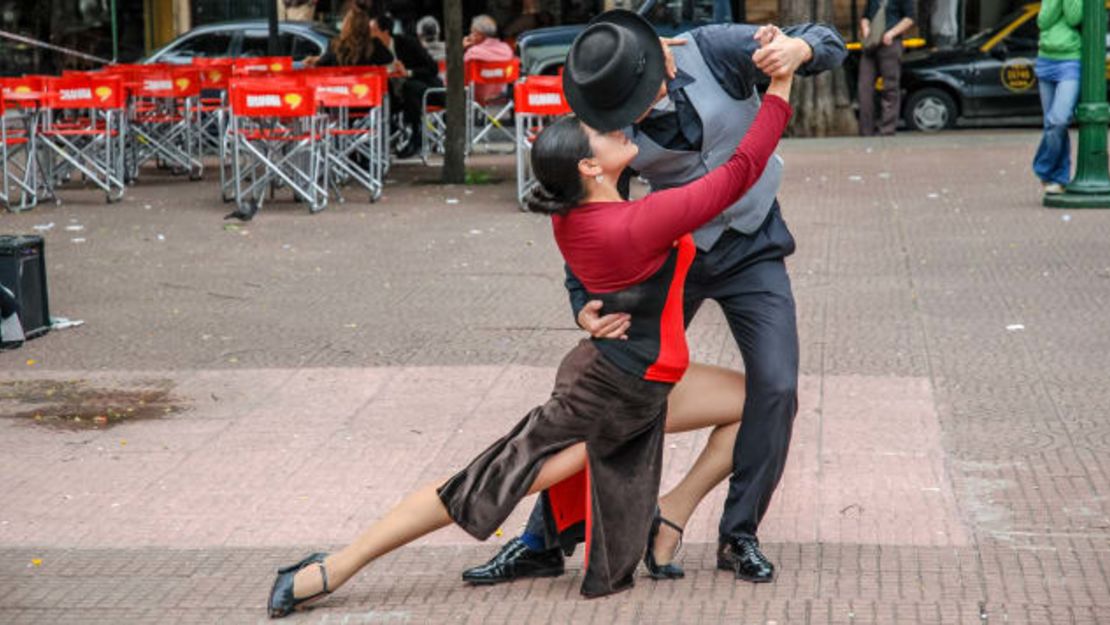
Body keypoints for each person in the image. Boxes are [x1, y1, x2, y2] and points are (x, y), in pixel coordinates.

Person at [266, 15, 796, 618]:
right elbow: (740, 172)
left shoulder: (574, 212)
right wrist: (779, 86)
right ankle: (331, 568)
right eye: (600, 130)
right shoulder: (637, 221)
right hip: (613, 392)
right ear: (590, 169)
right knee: (481, 485)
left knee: (761, 400)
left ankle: (667, 514)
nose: (619, 125)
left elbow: (587, 276)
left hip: (637, 376)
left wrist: (643, 58)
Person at [462, 11, 846, 586]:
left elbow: (829, 39)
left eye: (641, 96)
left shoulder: (715, 47)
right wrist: (581, 303)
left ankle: (738, 532)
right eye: (624, 109)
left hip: (752, 244)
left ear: (661, 55)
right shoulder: (603, 112)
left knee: (778, 386)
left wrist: (798, 52)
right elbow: (580, 216)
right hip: (670, 256)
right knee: (602, 391)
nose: (635, 114)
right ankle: (541, 540)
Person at [370, 14, 442, 159]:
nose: (369, 35)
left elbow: (432, 68)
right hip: (394, 93)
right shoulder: (372, 50)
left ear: (385, 32)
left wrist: (408, 72)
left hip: (423, 88)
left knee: (410, 88)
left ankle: (417, 137)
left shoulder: (408, 43)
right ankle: (387, 136)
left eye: (373, 31)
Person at [1032, 0, 1081, 195]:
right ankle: (1058, 179)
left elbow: (1074, 17)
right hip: (1046, 59)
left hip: (1070, 59)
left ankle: (1043, 168)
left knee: (1058, 119)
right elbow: (1043, 21)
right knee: (1051, 125)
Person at [857, 0, 916, 136]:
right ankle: (866, 130)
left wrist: (892, 33)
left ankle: (887, 129)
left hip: (890, 43)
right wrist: (866, 29)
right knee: (864, 88)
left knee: (890, 87)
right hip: (871, 44)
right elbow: (866, 16)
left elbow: (910, 18)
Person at [306, 0, 391, 68]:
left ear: (345, 25)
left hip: (343, 87)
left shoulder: (336, 44)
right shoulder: (374, 45)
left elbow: (321, 64)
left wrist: (316, 60)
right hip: (365, 87)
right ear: (366, 27)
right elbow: (389, 59)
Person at [463, 15, 515, 103]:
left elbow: (461, 78)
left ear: (478, 34)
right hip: (503, 97)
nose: (470, 35)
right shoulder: (507, 50)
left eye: (471, 32)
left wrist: (463, 50)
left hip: (477, 99)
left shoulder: (472, 53)